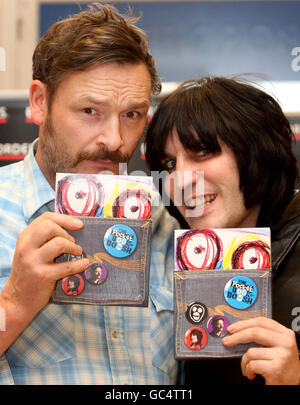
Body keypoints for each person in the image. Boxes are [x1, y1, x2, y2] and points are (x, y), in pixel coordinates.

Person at [0, 3, 179, 384]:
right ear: (38, 102)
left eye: (132, 114)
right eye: (89, 111)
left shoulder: (166, 223)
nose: (114, 141)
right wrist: (14, 302)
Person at [145, 76, 300, 385]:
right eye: (170, 163)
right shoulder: (167, 253)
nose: (181, 180)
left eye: (202, 152)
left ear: (256, 151)